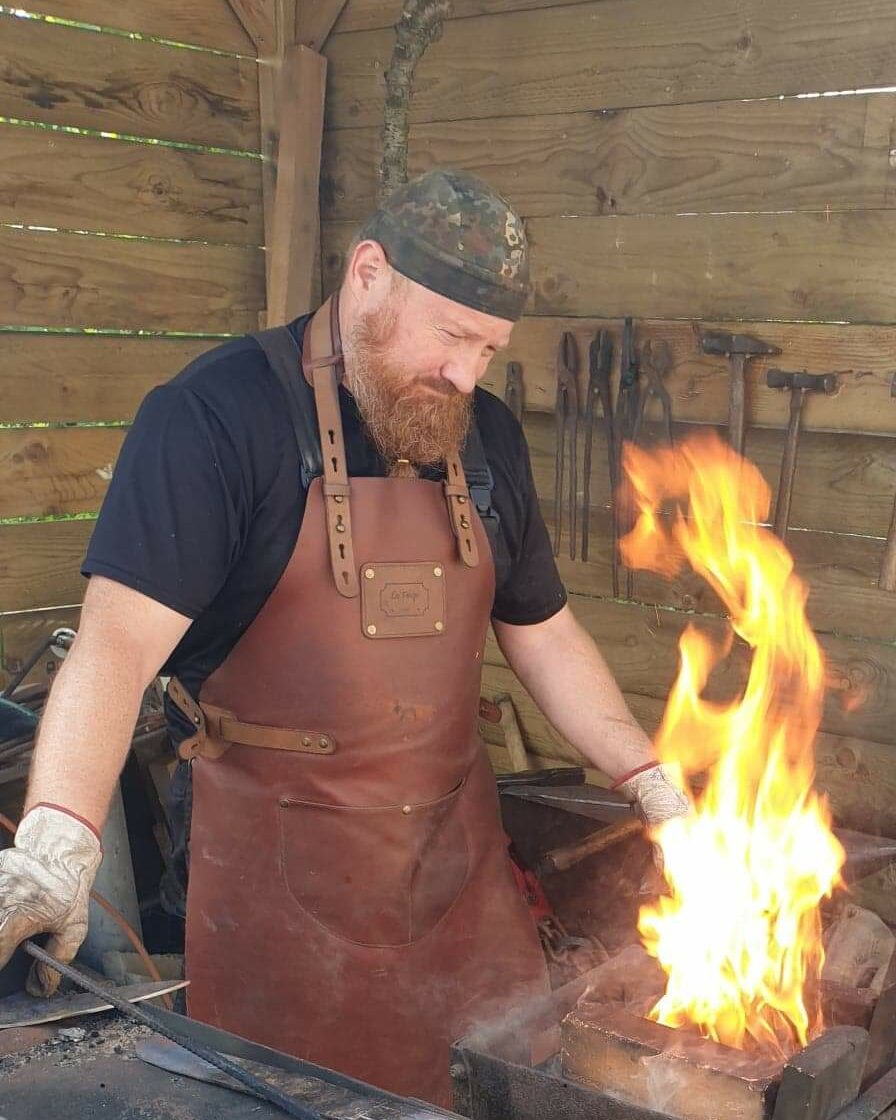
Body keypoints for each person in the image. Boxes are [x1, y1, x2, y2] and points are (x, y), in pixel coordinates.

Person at [0, 169, 688, 1106]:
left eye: (489, 350)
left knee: (495, 1088)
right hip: (281, 876)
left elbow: (544, 631)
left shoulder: (482, 435)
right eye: (452, 337)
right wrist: (57, 844)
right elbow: (116, 646)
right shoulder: (214, 417)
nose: (466, 374)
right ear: (368, 272)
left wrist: (648, 781)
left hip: (457, 865)